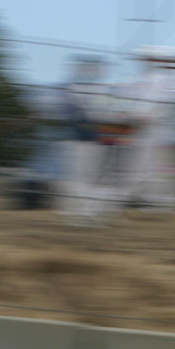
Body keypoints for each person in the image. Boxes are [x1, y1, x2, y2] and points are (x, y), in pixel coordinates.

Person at [55, 55, 119, 223]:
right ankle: (79, 211)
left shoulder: (102, 89)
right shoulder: (72, 89)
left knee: (91, 177)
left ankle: (89, 211)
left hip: (96, 140)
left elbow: (109, 112)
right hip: (80, 139)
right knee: (79, 177)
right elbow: (70, 113)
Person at [125, 47, 175, 210]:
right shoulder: (146, 78)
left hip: (161, 130)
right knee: (145, 164)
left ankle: (164, 200)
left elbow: (167, 105)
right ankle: (147, 197)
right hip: (147, 130)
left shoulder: (167, 80)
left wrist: (148, 117)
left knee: (161, 165)